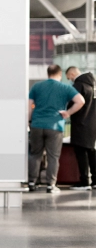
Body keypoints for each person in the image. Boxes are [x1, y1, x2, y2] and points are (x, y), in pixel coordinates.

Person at [28, 65, 85, 193]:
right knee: (53, 156)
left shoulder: (36, 86)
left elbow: (29, 106)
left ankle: (32, 182)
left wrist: (30, 121)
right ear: (59, 74)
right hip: (55, 126)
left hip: (37, 124)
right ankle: (50, 185)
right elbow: (80, 101)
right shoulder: (65, 87)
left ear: (48, 73)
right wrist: (68, 113)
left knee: (35, 155)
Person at [65, 66, 96, 190]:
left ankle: (84, 181)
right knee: (92, 152)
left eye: (69, 77)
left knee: (81, 152)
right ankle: (95, 180)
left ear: (72, 73)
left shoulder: (78, 86)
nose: (70, 80)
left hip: (81, 124)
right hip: (93, 125)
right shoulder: (93, 85)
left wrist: (67, 111)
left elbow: (72, 103)